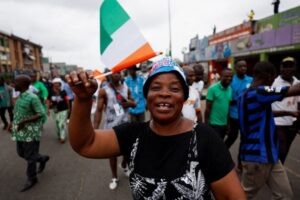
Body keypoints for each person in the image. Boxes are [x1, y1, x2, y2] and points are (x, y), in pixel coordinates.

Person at [66, 57, 246, 200]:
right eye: (156, 87)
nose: (164, 93)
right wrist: (82, 100)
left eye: (174, 88)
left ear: (184, 98)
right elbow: (85, 143)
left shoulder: (205, 139)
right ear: (147, 96)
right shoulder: (132, 135)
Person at [238, 61, 300, 199]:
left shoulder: (246, 94)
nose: (273, 82)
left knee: (285, 195)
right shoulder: (260, 92)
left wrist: (289, 113)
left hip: (271, 156)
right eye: (273, 78)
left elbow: (265, 114)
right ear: (268, 76)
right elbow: (295, 90)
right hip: (257, 157)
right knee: (242, 196)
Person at [93, 72, 136, 190]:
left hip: (126, 126)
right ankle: (114, 177)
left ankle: (125, 165)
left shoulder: (126, 88)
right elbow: (98, 110)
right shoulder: (104, 91)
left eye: (119, 72)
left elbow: (134, 103)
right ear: (109, 75)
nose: (117, 75)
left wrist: (129, 103)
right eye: (114, 73)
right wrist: (94, 129)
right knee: (112, 154)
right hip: (111, 127)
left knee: (128, 151)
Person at [11, 75, 50, 192]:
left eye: (16, 82)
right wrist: (12, 122)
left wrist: (24, 121)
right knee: (21, 153)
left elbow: (41, 113)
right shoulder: (20, 96)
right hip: (20, 131)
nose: (14, 84)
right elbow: (18, 112)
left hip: (30, 132)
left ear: (23, 84)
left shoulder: (33, 97)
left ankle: (32, 178)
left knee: (30, 158)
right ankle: (42, 158)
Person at [272, 57, 300, 164]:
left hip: (292, 123)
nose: (287, 69)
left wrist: (297, 121)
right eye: (285, 66)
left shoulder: (298, 83)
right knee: (282, 149)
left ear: (295, 68)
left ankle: (278, 172)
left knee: (285, 150)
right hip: (277, 123)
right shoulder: (274, 83)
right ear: (280, 68)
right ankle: (276, 174)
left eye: (290, 66)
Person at [225, 61, 252, 158]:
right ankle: (222, 153)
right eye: (240, 66)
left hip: (247, 115)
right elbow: (229, 100)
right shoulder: (231, 81)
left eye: (245, 66)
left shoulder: (250, 80)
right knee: (232, 136)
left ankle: (241, 160)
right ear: (235, 68)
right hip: (234, 115)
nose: (243, 68)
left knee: (245, 138)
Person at [205, 68, 233, 139]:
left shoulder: (230, 89)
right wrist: (206, 126)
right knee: (214, 147)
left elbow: (228, 108)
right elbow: (208, 109)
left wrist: (228, 124)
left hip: (224, 124)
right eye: (226, 76)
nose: (229, 78)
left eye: (231, 76)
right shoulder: (212, 89)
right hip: (214, 124)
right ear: (221, 76)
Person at [48, 78, 69, 144]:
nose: (56, 85)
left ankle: (62, 137)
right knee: (57, 124)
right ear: (53, 84)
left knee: (61, 124)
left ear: (60, 84)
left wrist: (69, 108)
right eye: (55, 83)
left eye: (58, 83)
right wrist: (47, 109)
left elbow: (67, 100)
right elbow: (48, 100)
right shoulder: (50, 91)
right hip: (55, 110)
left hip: (63, 109)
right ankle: (59, 135)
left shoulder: (63, 91)